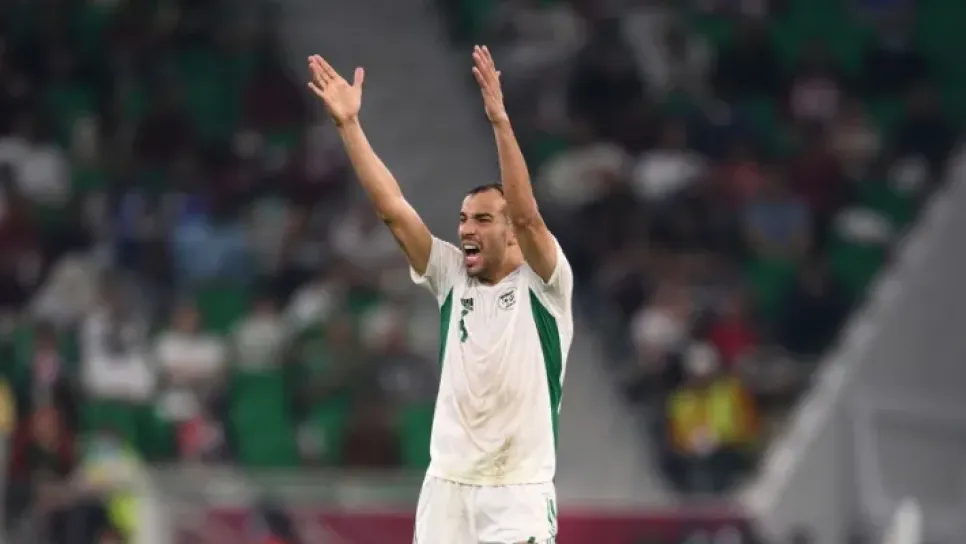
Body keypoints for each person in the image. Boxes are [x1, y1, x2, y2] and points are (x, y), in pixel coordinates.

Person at [306, 45, 574, 544]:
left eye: (483, 219)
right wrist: (350, 126)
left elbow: (528, 215)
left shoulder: (546, 285)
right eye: (463, 218)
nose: (466, 228)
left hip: (516, 493)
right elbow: (393, 209)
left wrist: (499, 121)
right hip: (446, 489)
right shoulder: (451, 276)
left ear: (512, 234)